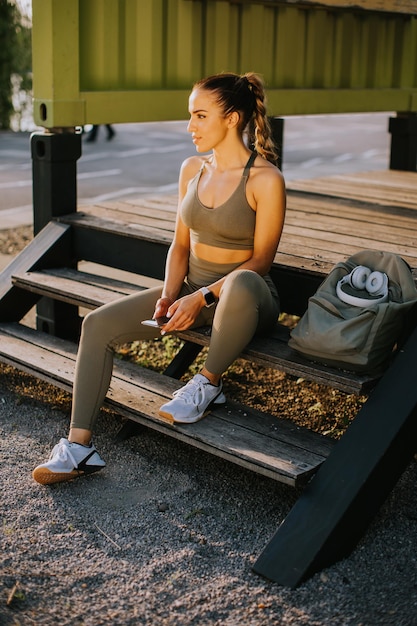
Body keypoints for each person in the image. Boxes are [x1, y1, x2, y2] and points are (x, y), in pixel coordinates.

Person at [32, 72, 286, 485]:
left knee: (239, 283)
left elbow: (259, 262)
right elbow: (180, 246)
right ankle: (78, 447)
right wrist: (170, 296)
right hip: (193, 293)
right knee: (96, 325)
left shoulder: (266, 180)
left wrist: (200, 298)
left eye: (201, 116)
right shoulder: (192, 169)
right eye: (191, 116)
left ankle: (208, 382)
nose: (191, 127)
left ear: (233, 118)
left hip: (250, 300)